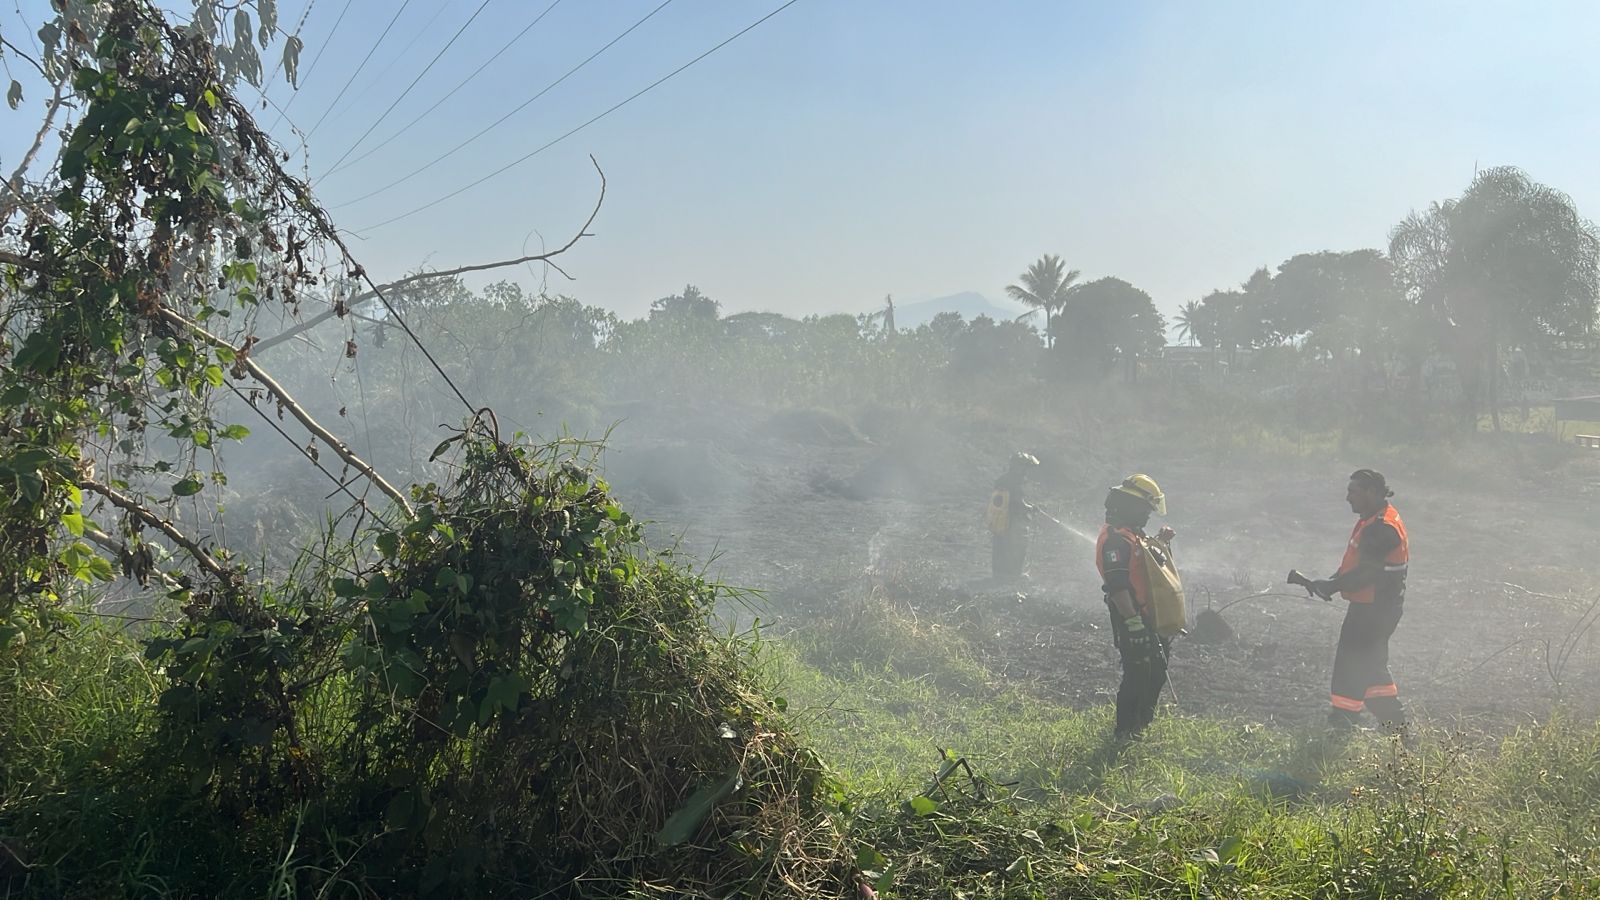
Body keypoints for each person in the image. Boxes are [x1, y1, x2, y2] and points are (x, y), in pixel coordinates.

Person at [1302, 469, 1409, 733]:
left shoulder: (1381, 527)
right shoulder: (1375, 520)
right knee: (1372, 672)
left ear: (1371, 492)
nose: (1348, 497)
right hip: (1376, 610)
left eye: (1353, 491)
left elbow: (1366, 573)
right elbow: (1358, 566)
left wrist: (1333, 585)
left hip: (1372, 613)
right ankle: (1399, 732)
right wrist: (1332, 581)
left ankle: (1341, 728)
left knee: (1350, 669)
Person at [1095, 474, 1175, 740]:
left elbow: (1146, 567)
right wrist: (1133, 622)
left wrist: (1161, 542)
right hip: (1131, 616)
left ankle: (1140, 727)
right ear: (1131, 506)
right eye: (1145, 510)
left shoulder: (1131, 535)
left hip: (1146, 615)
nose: (1147, 516)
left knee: (1156, 671)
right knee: (1138, 673)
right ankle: (1125, 733)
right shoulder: (1115, 541)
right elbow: (1117, 586)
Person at [987, 452, 1039, 581]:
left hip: (999, 520)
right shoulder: (1014, 482)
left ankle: (999, 574)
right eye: (1025, 467)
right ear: (1018, 466)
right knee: (1017, 547)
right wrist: (1031, 508)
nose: (1026, 471)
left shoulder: (1002, 480)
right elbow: (1018, 503)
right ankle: (1014, 575)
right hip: (1013, 523)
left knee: (1000, 547)